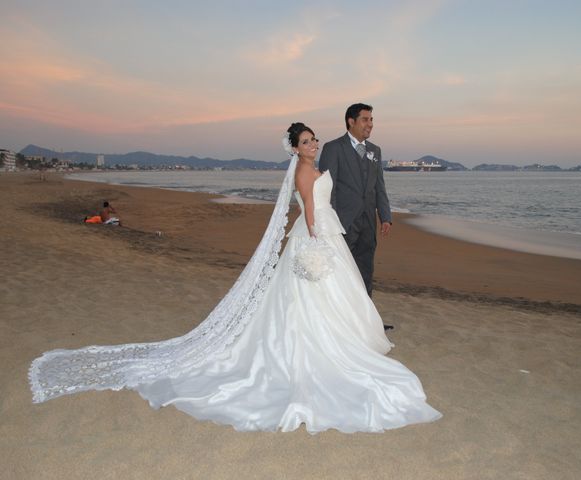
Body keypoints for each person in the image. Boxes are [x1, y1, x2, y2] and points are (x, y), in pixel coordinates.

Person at [29, 123, 441, 433]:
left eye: (314, 140)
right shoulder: (303, 172)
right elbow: (310, 214)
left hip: (330, 232)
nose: (313, 145)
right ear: (296, 149)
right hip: (318, 237)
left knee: (337, 294)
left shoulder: (317, 166)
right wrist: (317, 244)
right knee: (310, 298)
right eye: (307, 142)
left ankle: (349, 336)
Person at [319, 103, 393, 329]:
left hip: (368, 222)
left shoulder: (375, 150)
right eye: (365, 119)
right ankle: (338, 321)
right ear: (351, 121)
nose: (370, 124)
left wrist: (385, 216)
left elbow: (379, 186)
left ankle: (366, 324)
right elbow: (326, 188)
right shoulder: (334, 148)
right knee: (339, 271)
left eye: (371, 120)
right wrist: (328, 221)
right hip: (342, 222)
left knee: (365, 270)